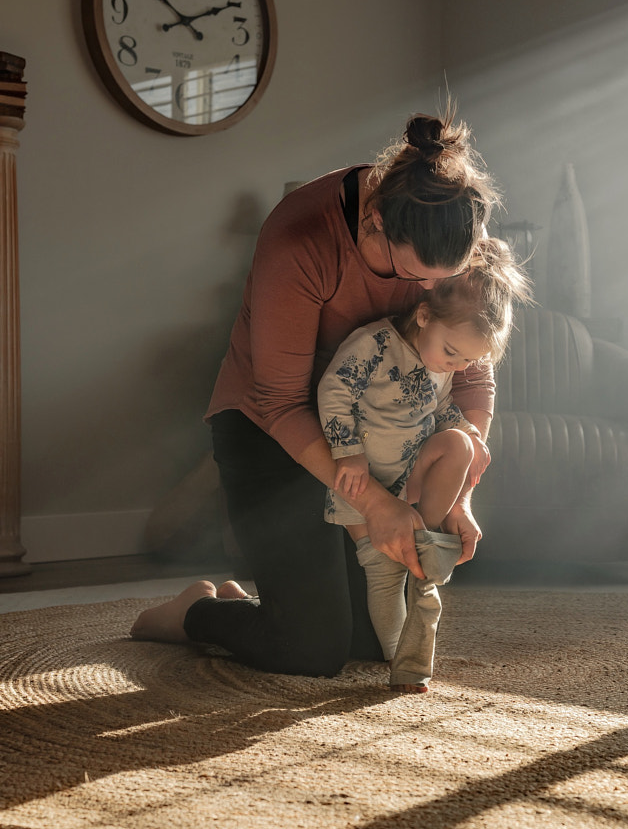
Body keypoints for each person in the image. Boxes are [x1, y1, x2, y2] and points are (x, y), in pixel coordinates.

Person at [130, 107, 502, 676]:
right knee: (311, 650)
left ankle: (256, 606)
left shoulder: (448, 232)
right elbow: (279, 401)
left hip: (374, 435)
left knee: (372, 641)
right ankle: (195, 613)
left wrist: (461, 489)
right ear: (376, 221)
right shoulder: (299, 238)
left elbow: (472, 367)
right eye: (419, 277)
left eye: (442, 278)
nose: (430, 289)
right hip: (272, 431)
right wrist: (375, 505)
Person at [319, 238, 531, 691]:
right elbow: (333, 393)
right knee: (384, 571)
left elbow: (439, 411)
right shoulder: (374, 344)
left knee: (460, 443)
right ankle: (403, 657)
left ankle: (427, 540)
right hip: (362, 483)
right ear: (423, 315)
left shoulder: (443, 365)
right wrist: (347, 452)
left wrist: (471, 435)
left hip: (410, 472)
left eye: (467, 361)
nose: (456, 365)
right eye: (452, 353)